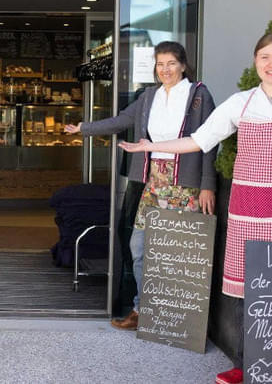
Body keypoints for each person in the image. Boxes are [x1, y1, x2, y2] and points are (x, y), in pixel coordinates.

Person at [118, 31, 272, 384]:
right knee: (248, 292)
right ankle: (247, 365)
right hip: (247, 208)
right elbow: (199, 140)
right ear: (255, 62)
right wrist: (149, 148)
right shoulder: (242, 103)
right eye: (265, 57)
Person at [65, 41, 217, 330]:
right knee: (139, 247)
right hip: (154, 181)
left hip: (186, 183)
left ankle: (178, 319)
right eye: (160, 64)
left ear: (183, 65)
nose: (166, 69)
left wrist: (208, 184)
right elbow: (121, 120)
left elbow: (209, 141)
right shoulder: (149, 96)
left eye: (171, 63)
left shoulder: (199, 95)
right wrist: (84, 128)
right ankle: (142, 310)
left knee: (179, 252)